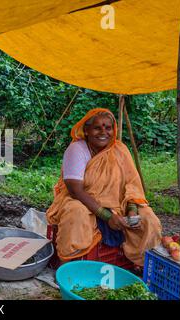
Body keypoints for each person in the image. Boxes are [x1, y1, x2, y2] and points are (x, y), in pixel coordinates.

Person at [46, 108, 162, 267]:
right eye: (97, 127)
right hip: (83, 201)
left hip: (119, 204)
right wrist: (106, 216)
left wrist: (132, 210)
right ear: (86, 130)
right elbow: (75, 190)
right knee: (75, 213)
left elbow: (132, 185)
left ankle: (142, 266)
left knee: (149, 219)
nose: (103, 132)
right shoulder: (77, 149)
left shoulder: (120, 150)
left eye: (108, 127)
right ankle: (67, 265)